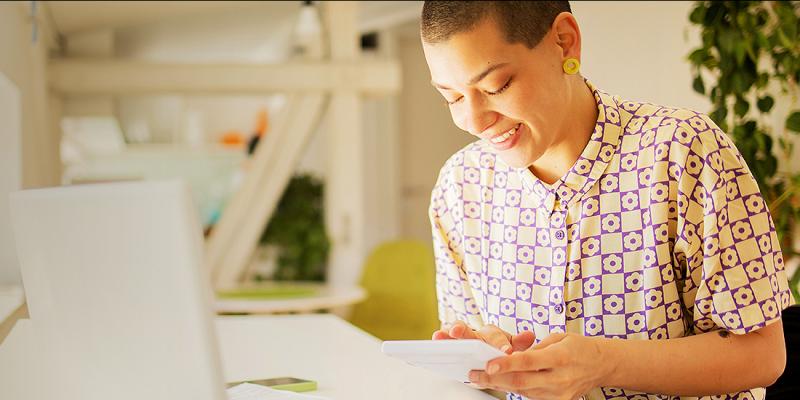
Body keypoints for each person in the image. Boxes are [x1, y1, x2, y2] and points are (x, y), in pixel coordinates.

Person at [422, 2, 793, 400]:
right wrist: (488, 355)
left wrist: (604, 362)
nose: (474, 122)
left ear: (564, 42)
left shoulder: (682, 151)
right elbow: (468, 360)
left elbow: (764, 356)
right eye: (452, 98)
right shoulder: (459, 186)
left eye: (496, 86)